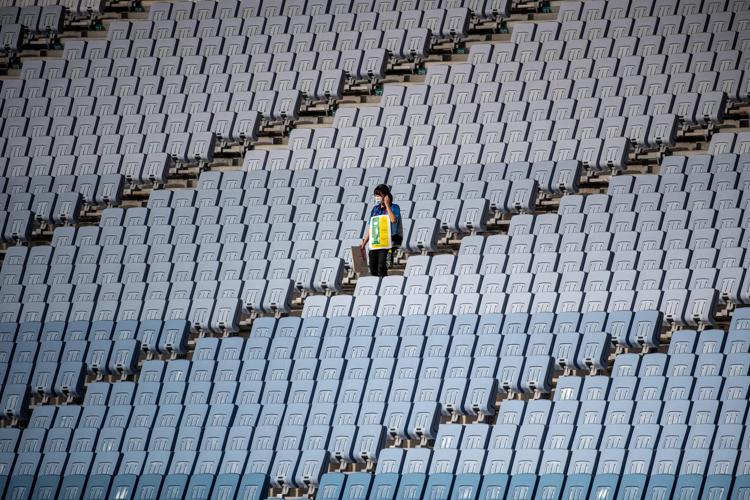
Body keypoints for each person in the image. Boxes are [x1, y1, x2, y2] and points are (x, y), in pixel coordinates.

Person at [360, 184, 402, 277]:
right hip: (375, 243)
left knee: (382, 268)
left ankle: (382, 286)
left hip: (387, 244)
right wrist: (364, 243)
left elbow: (393, 220)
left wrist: (387, 204)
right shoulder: (375, 209)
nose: (377, 197)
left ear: (386, 196)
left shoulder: (394, 207)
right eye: (376, 195)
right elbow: (371, 227)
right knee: (373, 269)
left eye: (379, 195)